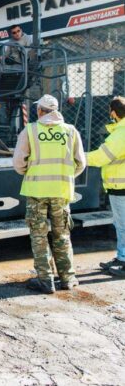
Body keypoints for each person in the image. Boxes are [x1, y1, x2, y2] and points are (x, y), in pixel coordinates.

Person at [13, 94, 86, 294]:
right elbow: (80, 163)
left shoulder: (30, 131)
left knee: (39, 235)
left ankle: (45, 280)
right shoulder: (71, 131)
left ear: (39, 110)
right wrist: (65, 176)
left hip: (36, 192)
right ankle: (68, 278)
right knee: (62, 234)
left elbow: (19, 163)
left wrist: (31, 171)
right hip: (61, 192)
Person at [87, 96, 125, 277]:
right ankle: (121, 257)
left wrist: (79, 156)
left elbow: (102, 157)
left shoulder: (121, 133)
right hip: (120, 186)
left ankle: (124, 261)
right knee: (120, 223)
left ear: (113, 113)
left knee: (122, 224)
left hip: (121, 186)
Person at [0, 24, 33, 96]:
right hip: (11, 63)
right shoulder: (11, 41)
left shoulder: (27, 38)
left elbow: (29, 52)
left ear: (21, 30)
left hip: (21, 65)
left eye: (18, 31)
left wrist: (20, 49)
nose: (17, 34)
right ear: (11, 34)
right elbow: (6, 54)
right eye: (14, 33)